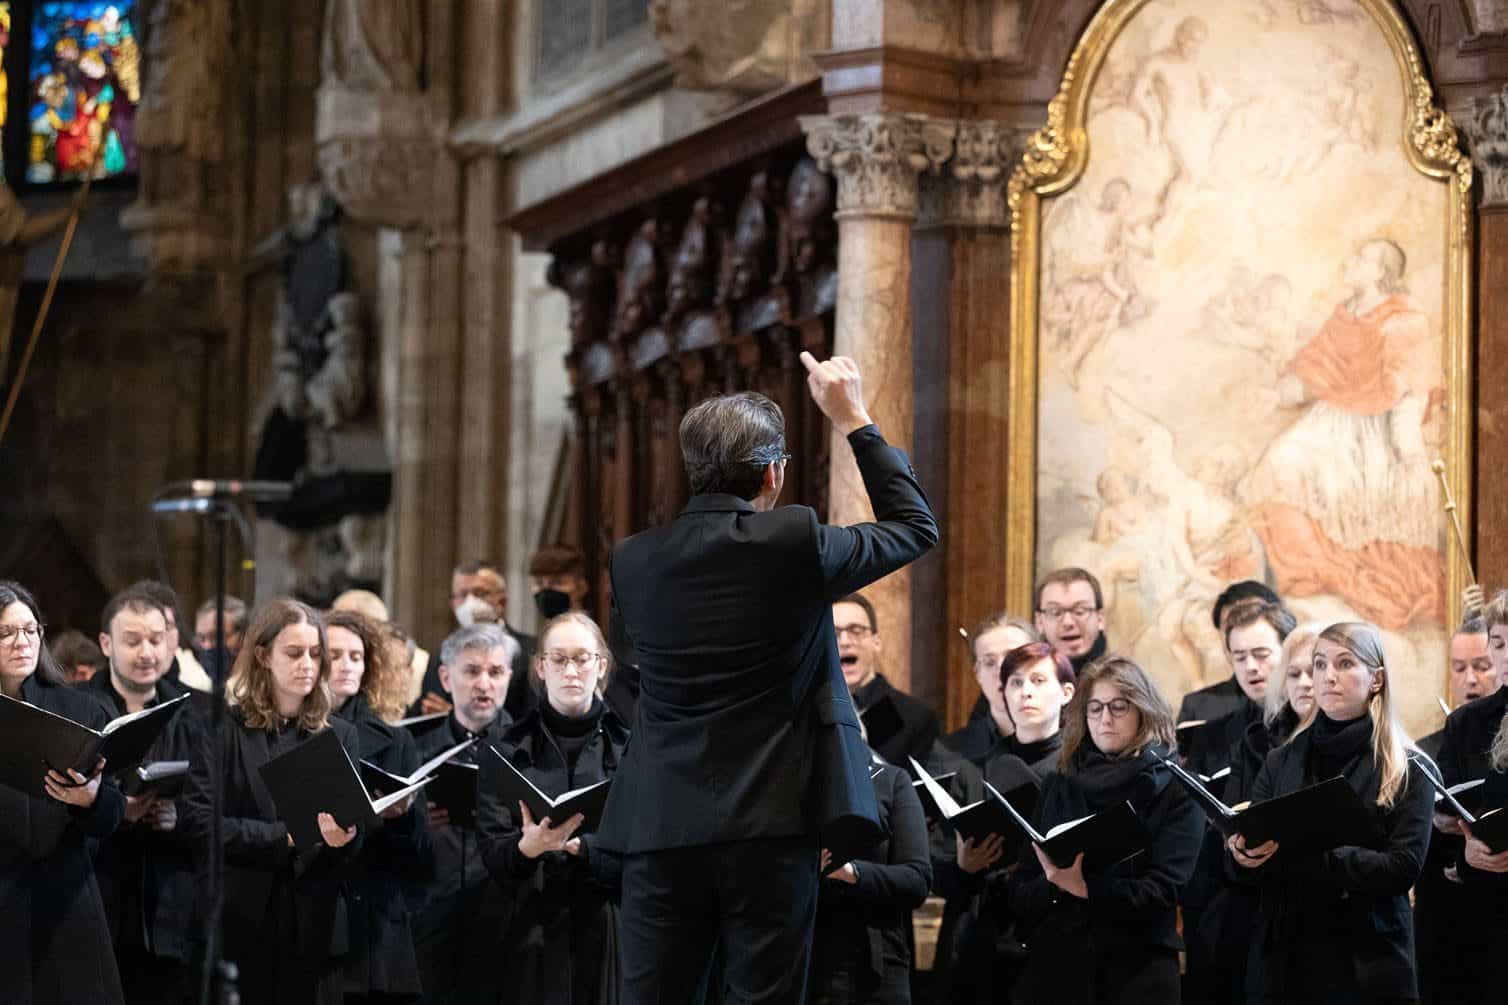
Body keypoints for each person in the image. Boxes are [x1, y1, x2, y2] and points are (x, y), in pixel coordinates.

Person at [601, 352, 938, 1003]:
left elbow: (632, 659)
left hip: (659, 824)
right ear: (773, 471)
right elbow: (914, 526)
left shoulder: (634, 560)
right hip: (770, 823)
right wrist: (855, 420)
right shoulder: (794, 541)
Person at [1227, 622, 1432, 1005]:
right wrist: (1242, 853)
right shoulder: (1281, 759)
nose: (1327, 677)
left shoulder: (1408, 767)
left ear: (1376, 679)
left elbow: (1404, 864)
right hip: (1286, 959)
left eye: (1344, 664)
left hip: (1369, 960)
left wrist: (1317, 858)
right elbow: (1253, 849)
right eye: (1320, 665)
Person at [182, 598, 363, 1005]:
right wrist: (286, 838)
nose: (307, 665)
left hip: (313, 926)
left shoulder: (338, 734)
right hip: (239, 919)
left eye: (316, 655)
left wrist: (346, 837)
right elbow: (198, 823)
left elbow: (352, 836)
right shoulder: (223, 728)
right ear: (263, 655)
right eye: (294, 653)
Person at [1007, 656, 1202, 1004]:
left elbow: (1165, 888)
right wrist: (1053, 885)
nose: (1105, 719)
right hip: (1057, 968)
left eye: (1119, 707)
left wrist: (1086, 889)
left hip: (1139, 971)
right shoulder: (1059, 783)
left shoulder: (1176, 788)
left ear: (1144, 710)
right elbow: (1021, 886)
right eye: (1094, 709)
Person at [477, 611, 629, 1004]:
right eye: (558, 659)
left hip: (606, 926)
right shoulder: (504, 746)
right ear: (541, 667)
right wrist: (527, 848)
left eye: (582, 658)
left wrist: (582, 848)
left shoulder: (630, 749)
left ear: (602, 665)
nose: (571, 670)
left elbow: (644, 853)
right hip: (525, 926)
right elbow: (492, 851)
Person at [0, 581, 127, 1004]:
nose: (22, 641)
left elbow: (112, 812)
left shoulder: (78, 708)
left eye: (30, 629)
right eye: (5, 633)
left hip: (67, 902)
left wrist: (89, 799)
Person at [932, 642, 1076, 1005]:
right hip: (981, 944)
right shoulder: (972, 770)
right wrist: (963, 868)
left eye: (1039, 680)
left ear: (1066, 692)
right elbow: (936, 865)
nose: (1025, 691)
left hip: (1055, 944)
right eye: (1014, 682)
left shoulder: (1082, 770)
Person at [82, 587, 202, 1005]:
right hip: (99, 897)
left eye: (156, 639)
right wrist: (115, 810)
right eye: (132, 641)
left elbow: (217, 803)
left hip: (172, 908)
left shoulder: (195, 714)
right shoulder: (80, 708)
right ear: (106, 643)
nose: (147, 652)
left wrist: (178, 818)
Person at [1181, 603, 1298, 1004]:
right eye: (1239, 656)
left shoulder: (1311, 732)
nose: (1251, 667)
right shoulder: (1213, 738)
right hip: (1225, 906)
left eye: (1262, 654)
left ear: (1289, 650)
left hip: (1297, 905)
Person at [404, 624, 518, 1003]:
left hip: (505, 920)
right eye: (471, 671)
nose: (484, 684)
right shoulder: (414, 749)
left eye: (495, 672)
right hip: (431, 915)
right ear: (445, 677)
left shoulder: (530, 748)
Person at [325, 609, 427, 1003]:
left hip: (374, 928)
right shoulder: (287, 732)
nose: (347, 665)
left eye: (356, 656)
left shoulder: (395, 742)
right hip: (310, 922)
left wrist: (400, 819)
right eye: (334, 655)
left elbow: (421, 857)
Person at [1422, 593, 1508, 1004]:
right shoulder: (1466, 723)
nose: (1504, 656)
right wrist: (1465, 846)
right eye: (1499, 643)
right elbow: (1447, 804)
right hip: (1480, 915)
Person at [810, 736, 931, 1005]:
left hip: (877, 962)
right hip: (806, 960)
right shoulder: (795, 785)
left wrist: (848, 871)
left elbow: (917, 879)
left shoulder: (891, 781)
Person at [411, 561, 536, 721]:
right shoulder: (441, 655)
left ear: (502, 601)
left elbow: (532, 719)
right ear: (453, 604)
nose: (470, 602)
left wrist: (462, 716)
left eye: (480, 593)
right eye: (462, 595)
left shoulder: (529, 651)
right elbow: (425, 710)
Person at [834, 593, 939, 767]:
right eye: (834, 633)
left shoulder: (915, 717)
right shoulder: (808, 716)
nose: (844, 641)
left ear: (877, 642)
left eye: (856, 631)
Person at [1176, 580, 1282, 727]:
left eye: (1251, 620)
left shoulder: (1310, 696)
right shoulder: (1198, 707)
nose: (1242, 634)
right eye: (1230, 626)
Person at [941, 615, 1039, 769]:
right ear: (977, 674)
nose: (1001, 670)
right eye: (989, 662)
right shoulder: (946, 753)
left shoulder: (1076, 748)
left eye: (1013, 657)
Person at [128, 580, 213, 693]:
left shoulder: (204, 703)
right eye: (144, 628)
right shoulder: (100, 705)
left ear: (177, 634)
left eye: (166, 627)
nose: (157, 639)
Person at [1032, 568, 1109, 672]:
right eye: (1056, 612)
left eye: (1080, 611)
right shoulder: (1027, 682)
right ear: (1039, 621)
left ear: (1100, 619)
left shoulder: (1122, 684)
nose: (1068, 622)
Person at [528, 544, 592, 622]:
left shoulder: (581, 630)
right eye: (539, 583)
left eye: (557, 582)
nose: (546, 588)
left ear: (581, 588)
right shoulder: (553, 629)